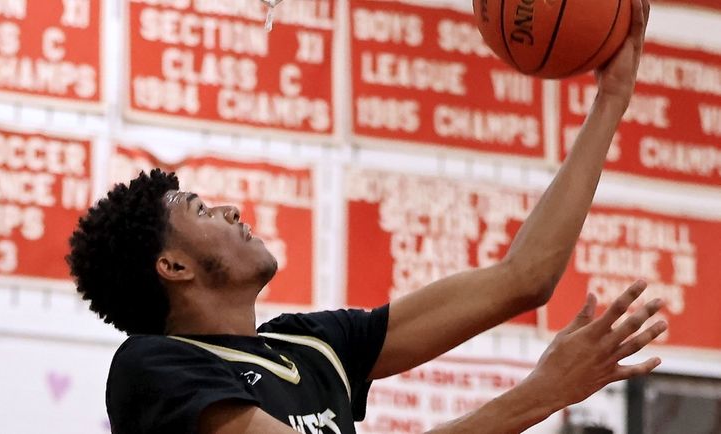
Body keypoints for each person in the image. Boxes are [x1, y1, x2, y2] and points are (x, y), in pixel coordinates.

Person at [67, 0, 663, 433]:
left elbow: (523, 278)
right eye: (200, 209)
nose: (229, 208)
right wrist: (540, 393)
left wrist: (611, 99)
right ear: (171, 265)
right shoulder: (155, 369)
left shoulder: (314, 346)